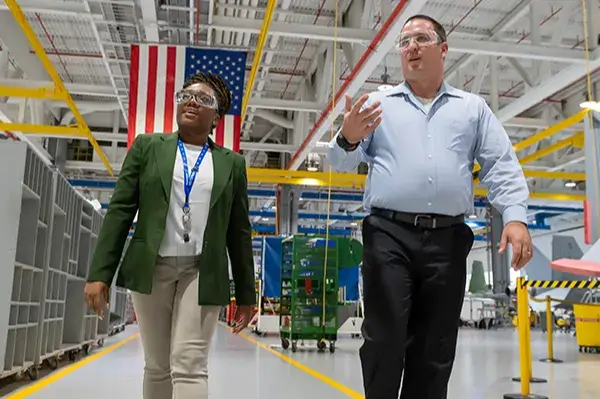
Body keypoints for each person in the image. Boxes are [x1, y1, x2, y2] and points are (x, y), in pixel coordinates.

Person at [326, 14, 533, 399]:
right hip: (388, 235)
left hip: (448, 240)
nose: (411, 47)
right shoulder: (377, 104)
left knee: (435, 348)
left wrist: (516, 217)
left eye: (421, 38)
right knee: (385, 339)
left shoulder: (471, 109)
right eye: (404, 42)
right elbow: (337, 164)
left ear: (443, 48)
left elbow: (501, 164)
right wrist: (348, 139)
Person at [84, 71, 255, 399]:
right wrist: (100, 273)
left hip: (202, 272)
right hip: (152, 267)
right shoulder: (148, 147)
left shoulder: (231, 163)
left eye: (204, 99)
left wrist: (246, 293)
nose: (192, 101)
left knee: (189, 363)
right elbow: (120, 210)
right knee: (158, 364)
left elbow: (239, 231)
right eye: (186, 95)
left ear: (216, 117)